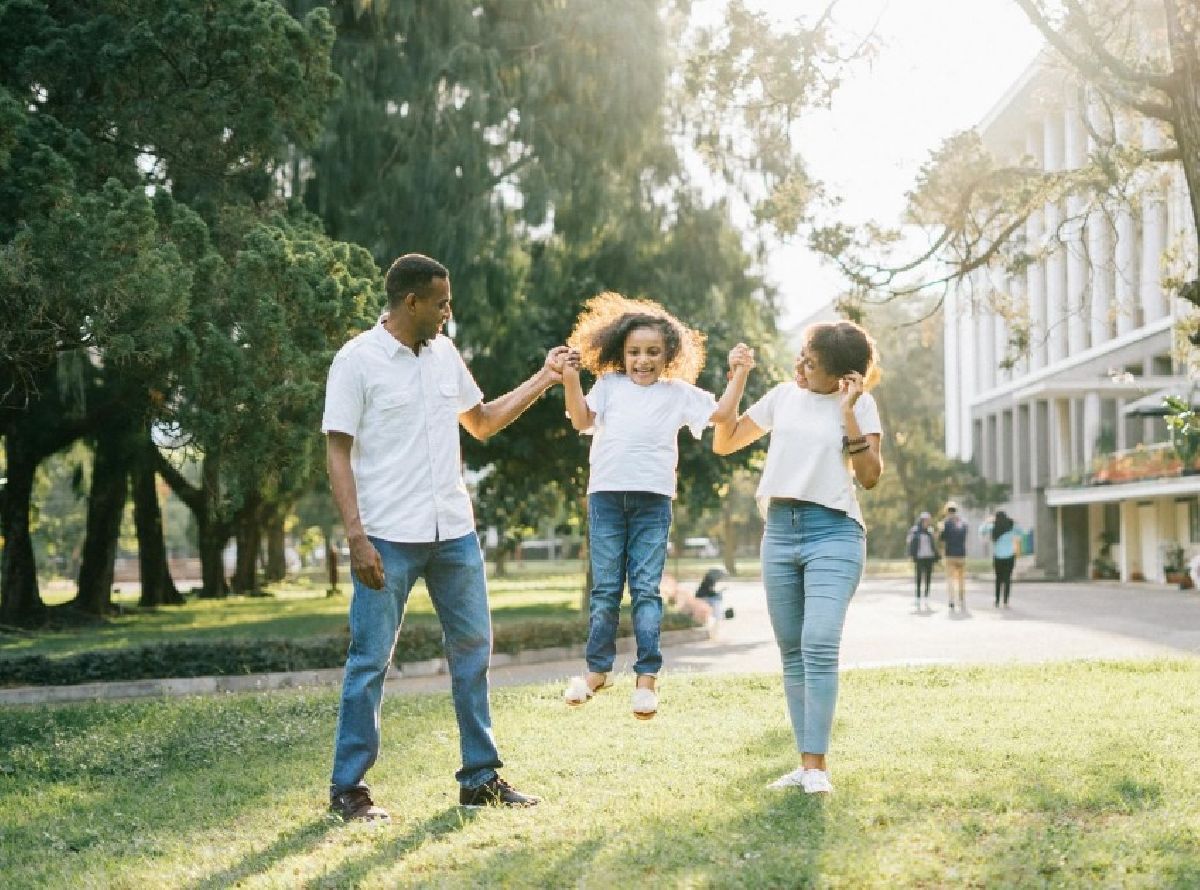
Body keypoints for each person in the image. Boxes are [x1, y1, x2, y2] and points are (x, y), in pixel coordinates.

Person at [322, 253, 567, 820]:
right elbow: (337, 452)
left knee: (473, 652)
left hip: (453, 532)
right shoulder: (357, 360)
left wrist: (545, 377)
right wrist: (356, 538)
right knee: (369, 661)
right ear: (412, 301)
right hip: (387, 536)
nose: (448, 312)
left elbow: (480, 421)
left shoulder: (444, 354)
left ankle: (480, 778)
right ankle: (348, 788)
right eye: (441, 302)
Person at [559, 291, 755, 719]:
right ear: (621, 354)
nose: (642, 360)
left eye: (652, 352)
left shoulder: (678, 393)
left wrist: (738, 373)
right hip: (607, 498)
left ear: (669, 356)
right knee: (606, 589)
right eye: (634, 352)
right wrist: (570, 379)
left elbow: (722, 414)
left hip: (652, 502)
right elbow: (580, 420)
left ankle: (646, 679)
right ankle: (597, 671)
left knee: (646, 589)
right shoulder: (609, 386)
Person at [713, 320, 883, 795]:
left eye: (813, 363)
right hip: (780, 533)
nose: (801, 366)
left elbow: (869, 476)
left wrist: (848, 413)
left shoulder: (861, 404)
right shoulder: (783, 397)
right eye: (803, 356)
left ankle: (817, 769)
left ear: (844, 377)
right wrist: (739, 377)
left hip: (835, 531)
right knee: (793, 653)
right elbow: (723, 442)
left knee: (819, 642)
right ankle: (806, 766)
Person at [982, 510, 1019, 607]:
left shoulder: (993, 527)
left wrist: (987, 522)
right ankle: (1006, 601)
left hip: (998, 556)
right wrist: (1015, 522)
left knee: (998, 579)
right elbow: (1021, 533)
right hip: (1010, 556)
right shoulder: (1011, 527)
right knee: (1007, 579)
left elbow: (981, 531)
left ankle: (997, 600)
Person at [939, 500, 969, 612]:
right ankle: (961, 599)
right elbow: (965, 536)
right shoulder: (962, 522)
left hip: (950, 555)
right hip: (961, 554)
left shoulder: (945, 523)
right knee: (961, 579)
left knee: (950, 579)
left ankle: (951, 601)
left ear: (947, 511)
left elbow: (942, 538)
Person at [906, 512, 939, 609]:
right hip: (919, 557)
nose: (927, 522)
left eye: (928, 520)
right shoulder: (915, 530)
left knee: (928, 578)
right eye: (925, 520)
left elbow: (933, 544)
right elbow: (909, 541)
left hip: (929, 557)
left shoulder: (930, 530)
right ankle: (918, 597)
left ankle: (927, 597)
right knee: (919, 578)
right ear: (921, 520)